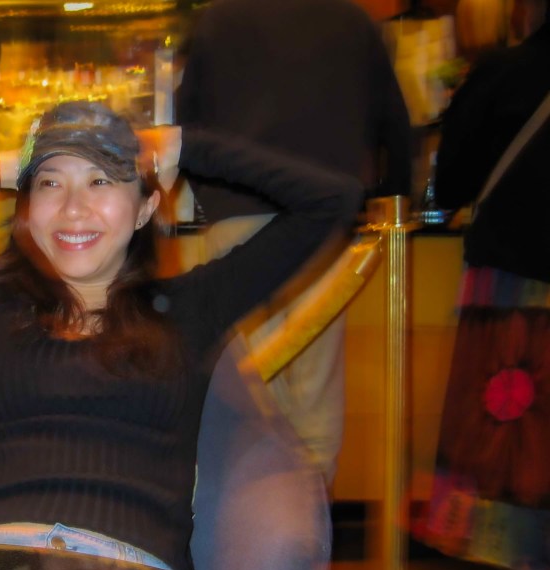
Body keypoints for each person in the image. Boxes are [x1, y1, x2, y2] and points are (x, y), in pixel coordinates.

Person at [0, 100, 362, 570]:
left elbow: (330, 200)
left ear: (147, 209)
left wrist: (178, 144)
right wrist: (13, 163)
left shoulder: (191, 310)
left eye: (102, 181)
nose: (73, 208)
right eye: (50, 184)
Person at [174, 0, 413, 481]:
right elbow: (394, 121)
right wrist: (391, 198)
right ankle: (309, 529)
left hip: (236, 212)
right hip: (323, 220)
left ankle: (256, 524)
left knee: (246, 389)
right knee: (314, 388)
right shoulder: (351, 20)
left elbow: (185, 124)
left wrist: (202, 198)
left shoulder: (219, 18)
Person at [420, 0, 550, 570]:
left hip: (514, 266)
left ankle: (511, 546)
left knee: (508, 407)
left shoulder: (506, 70)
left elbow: (452, 180)